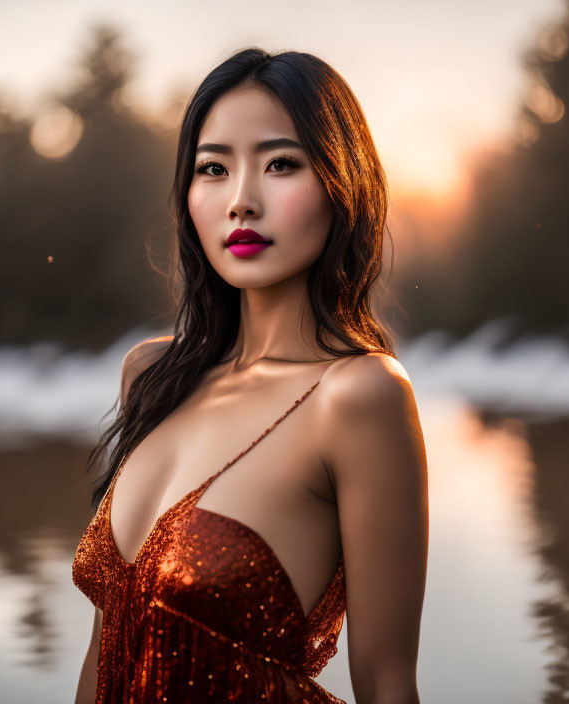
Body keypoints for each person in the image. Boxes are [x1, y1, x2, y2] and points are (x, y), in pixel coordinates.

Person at [72, 47, 428, 704]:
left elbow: (385, 681)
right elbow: (105, 649)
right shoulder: (151, 376)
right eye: (213, 168)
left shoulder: (359, 398)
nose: (241, 201)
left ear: (340, 183)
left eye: (281, 164)